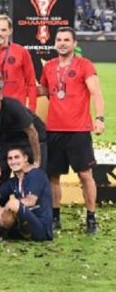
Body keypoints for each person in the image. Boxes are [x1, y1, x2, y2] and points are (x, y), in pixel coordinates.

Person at [38, 27, 105, 234]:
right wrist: (21, 84)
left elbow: (96, 93)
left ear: (74, 44)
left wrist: (99, 118)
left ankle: (91, 217)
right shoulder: (49, 66)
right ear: (55, 42)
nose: (62, 43)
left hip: (78, 130)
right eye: (59, 39)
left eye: (67, 39)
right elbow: (45, 90)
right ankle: (55, 217)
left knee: (85, 176)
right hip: (54, 129)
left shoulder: (84, 65)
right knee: (53, 177)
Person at [0, 147, 53, 242]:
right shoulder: (13, 181)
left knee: (13, 203)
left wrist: (5, 210)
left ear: (25, 158)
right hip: (21, 227)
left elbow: (30, 201)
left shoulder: (35, 174)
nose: (13, 161)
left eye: (17, 157)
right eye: (10, 158)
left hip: (41, 229)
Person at [0, 81, 46, 186]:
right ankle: (1, 200)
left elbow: (32, 133)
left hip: (30, 138)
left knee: (36, 176)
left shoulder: (13, 106)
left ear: (0, 96)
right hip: (8, 140)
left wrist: (36, 162)